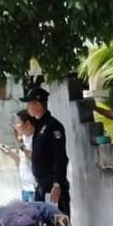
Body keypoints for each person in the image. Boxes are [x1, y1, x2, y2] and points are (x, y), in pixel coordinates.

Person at [21, 86, 70, 214]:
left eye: (30, 104)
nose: (28, 108)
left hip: (52, 187)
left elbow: (59, 157)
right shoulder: (40, 126)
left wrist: (57, 184)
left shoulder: (53, 127)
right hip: (42, 187)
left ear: (38, 104)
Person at [0, 110, 38, 202]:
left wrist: (21, 144)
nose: (17, 126)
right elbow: (21, 160)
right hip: (25, 188)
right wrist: (9, 152)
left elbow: (35, 158)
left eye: (19, 123)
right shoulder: (24, 138)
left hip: (34, 188)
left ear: (27, 124)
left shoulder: (36, 139)